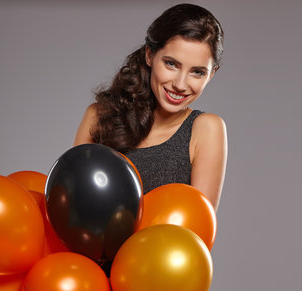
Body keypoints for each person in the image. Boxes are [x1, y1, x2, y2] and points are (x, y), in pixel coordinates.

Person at [74, 4, 227, 211]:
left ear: (211, 74)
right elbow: (70, 206)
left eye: (197, 72)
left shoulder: (206, 129)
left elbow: (198, 233)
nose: (180, 85)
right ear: (149, 55)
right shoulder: (99, 115)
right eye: (171, 64)